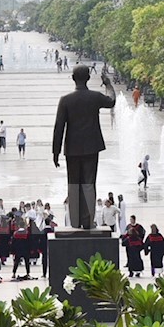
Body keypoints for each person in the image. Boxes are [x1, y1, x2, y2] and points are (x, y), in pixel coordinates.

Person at [52, 66, 117, 229]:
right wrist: (108, 84)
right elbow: (112, 101)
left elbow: (59, 127)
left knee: (73, 184)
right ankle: (88, 221)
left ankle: (75, 221)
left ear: (73, 78)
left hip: (72, 149)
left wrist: (56, 151)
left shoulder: (65, 100)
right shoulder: (94, 97)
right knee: (89, 183)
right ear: (88, 78)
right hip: (91, 147)